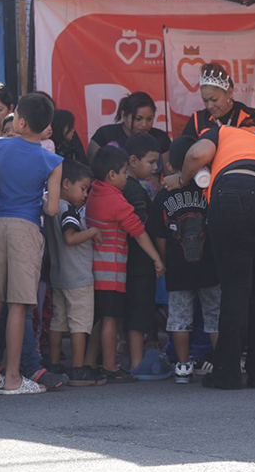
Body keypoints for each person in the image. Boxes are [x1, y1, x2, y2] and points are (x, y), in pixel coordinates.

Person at [177, 119, 255, 389]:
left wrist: (183, 179)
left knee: (235, 289)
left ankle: (228, 373)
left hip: (237, 192)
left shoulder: (221, 132)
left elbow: (196, 155)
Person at [0, 92, 63, 397]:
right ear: (46, 126)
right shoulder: (52, 160)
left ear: (20, 122)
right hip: (26, 228)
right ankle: (13, 378)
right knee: (18, 304)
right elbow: (52, 209)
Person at [85, 147, 164, 382]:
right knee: (111, 318)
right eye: (123, 173)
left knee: (101, 318)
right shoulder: (116, 200)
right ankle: (110, 367)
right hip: (112, 270)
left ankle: (89, 362)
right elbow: (138, 232)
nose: (126, 177)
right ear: (112, 175)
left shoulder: (94, 192)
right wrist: (157, 258)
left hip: (95, 267)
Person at [149, 136, 219, 384]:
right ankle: (221, 361)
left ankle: (182, 365)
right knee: (214, 315)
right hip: (209, 263)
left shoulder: (163, 195)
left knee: (179, 317)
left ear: (170, 166)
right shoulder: (210, 189)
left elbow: (159, 234)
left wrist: (163, 260)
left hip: (178, 265)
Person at [44, 159, 100, 385]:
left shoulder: (51, 206)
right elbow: (70, 237)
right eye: (83, 188)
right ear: (66, 183)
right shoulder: (68, 210)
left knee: (58, 321)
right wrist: (93, 231)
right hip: (78, 278)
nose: (85, 195)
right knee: (80, 323)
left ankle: (54, 364)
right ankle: (78, 368)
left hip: (59, 276)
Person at [121, 132, 161, 373]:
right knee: (138, 310)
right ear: (133, 161)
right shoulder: (134, 190)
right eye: (151, 162)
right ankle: (136, 362)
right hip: (138, 260)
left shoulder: (130, 187)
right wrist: (157, 257)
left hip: (129, 259)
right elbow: (140, 228)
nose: (156, 167)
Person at [182, 62, 255, 143]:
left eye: (214, 99)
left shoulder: (253, 116)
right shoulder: (198, 120)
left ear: (229, 92)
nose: (209, 106)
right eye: (205, 100)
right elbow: (183, 151)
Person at [87, 91, 171, 162]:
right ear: (123, 115)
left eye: (149, 119)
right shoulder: (104, 135)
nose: (144, 124)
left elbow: (169, 173)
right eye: (138, 119)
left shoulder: (161, 138)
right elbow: (92, 171)